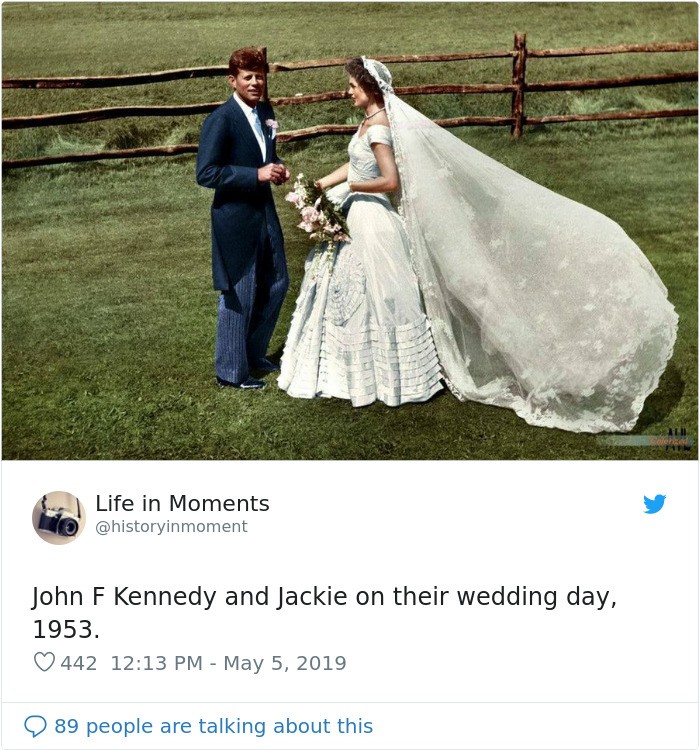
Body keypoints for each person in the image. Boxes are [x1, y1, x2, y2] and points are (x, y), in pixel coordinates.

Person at [280, 57, 678, 433]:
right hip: (359, 211)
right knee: (357, 287)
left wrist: (351, 187)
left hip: (373, 217)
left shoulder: (381, 126)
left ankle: (395, 372)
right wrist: (322, 185)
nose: (347, 91)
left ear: (369, 88)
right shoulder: (369, 122)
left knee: (386, 291)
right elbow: (357, 162)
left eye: (352, 85)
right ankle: (359, 367)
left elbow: (389, 180)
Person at [197, 47, 290, 390]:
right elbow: (206, 173)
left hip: (264, 210)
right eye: (247, 77)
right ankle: (231, 372)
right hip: (235, 218)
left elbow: (266, 154)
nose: (255, 83)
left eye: (259, 77)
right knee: (240, 291)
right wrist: (255, 175)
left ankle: (252, 353)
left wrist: (276, 167)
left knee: (278, 282)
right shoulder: (221, 119)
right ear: (232, 80)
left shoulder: (265, 110)